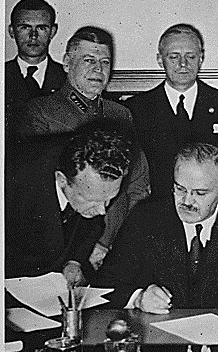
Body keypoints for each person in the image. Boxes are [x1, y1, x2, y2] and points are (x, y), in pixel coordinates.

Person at [96, 143, 218, 332]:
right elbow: (106, 283)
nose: (187, 201)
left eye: (200, 193)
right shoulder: (145, 218)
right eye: (180, 189)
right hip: (158, 337)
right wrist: (138, 298)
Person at [16, 26, 151, 270]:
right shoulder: (40, 112)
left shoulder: (120, 115)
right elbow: (37, 194)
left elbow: (137, 187)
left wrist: (105, 241)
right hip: (55, 252)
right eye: (89, 60)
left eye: (105, 62)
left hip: (110, 246)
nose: (98, 70)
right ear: (67, 63)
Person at [124, 23, 218, 199]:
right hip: (155, 211)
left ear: (201, 58)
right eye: (174, 57)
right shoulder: (136, 109)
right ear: (160, 60)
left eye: (191, 56)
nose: (183, 64)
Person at [5, 123, 133, 287]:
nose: (102, 210)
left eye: (108, 200)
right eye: (92, 200)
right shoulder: (13, 184)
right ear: (61, 180)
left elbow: (89, 223)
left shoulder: (107, 173)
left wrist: (75, 260)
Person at [5, 0, 65, 120]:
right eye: (25, 27)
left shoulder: (67, 78)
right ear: (12, 31)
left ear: (52, 32)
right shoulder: (3, 75)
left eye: (41, 28)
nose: (33, 36)